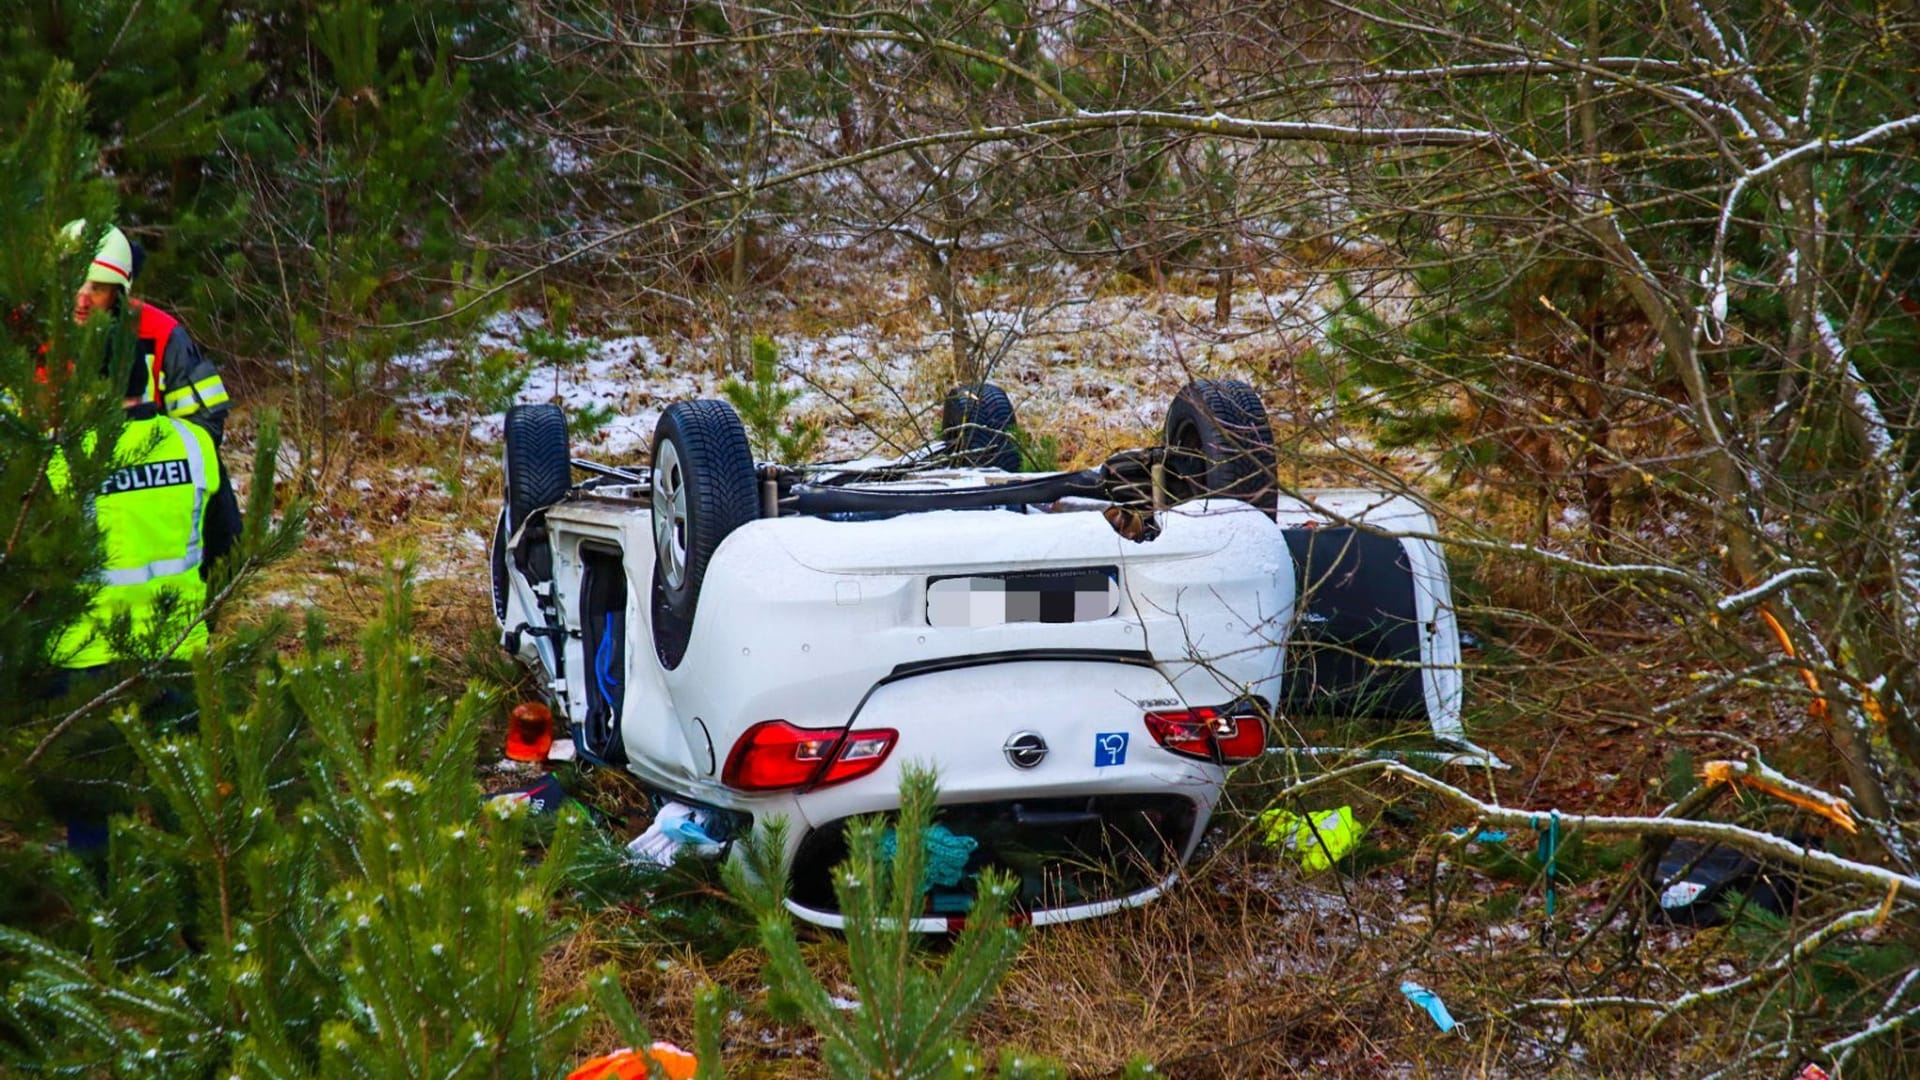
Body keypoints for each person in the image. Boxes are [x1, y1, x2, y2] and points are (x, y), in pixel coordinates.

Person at [66, 221, 233, 445]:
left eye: (98, 288)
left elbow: (205, 428)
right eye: (74, 283)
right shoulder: (28, 334)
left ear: (118, 292)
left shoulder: (161, 334)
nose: (82, 300)